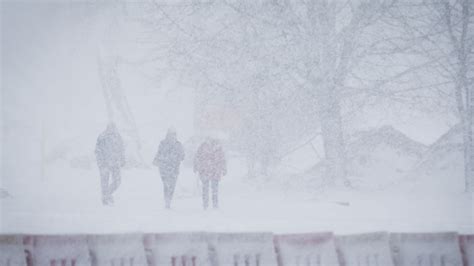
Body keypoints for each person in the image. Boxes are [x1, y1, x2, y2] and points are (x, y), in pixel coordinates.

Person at [153, 128, 185, 209]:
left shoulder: (178, 144)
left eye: (174, 134)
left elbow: (182, 156)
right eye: (171, 134)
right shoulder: (163, 143)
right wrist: (157, 160)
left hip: (173, 168)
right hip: (165, 168)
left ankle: (168, 200)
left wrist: (179, 157)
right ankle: (167, 201)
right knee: (167, 185)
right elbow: (159, 153)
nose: (172, 136)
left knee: (171, 185)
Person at [95, 122, 125, 205]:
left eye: (113, 127)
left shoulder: (117, 136)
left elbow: (122, 149)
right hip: (105, 164)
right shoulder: (102, 137)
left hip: (115, 163)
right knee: (104, 182)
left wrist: (122, 159)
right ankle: (105, 199)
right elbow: (98, 151)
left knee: (117, 181)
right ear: (108, 128)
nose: (113, 129)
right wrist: (101, 162)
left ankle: (107, 194)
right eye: (111, 127)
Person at [194, 137, 226, 209]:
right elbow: (197, 157)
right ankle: (206, 204)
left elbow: (222, 159)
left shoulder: (217, 148)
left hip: (212, 171)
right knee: (207, 189)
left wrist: (224, 168)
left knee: (213, 189)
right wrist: (196, 166)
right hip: (207, 171)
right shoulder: (203, 147)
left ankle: (213, 204)